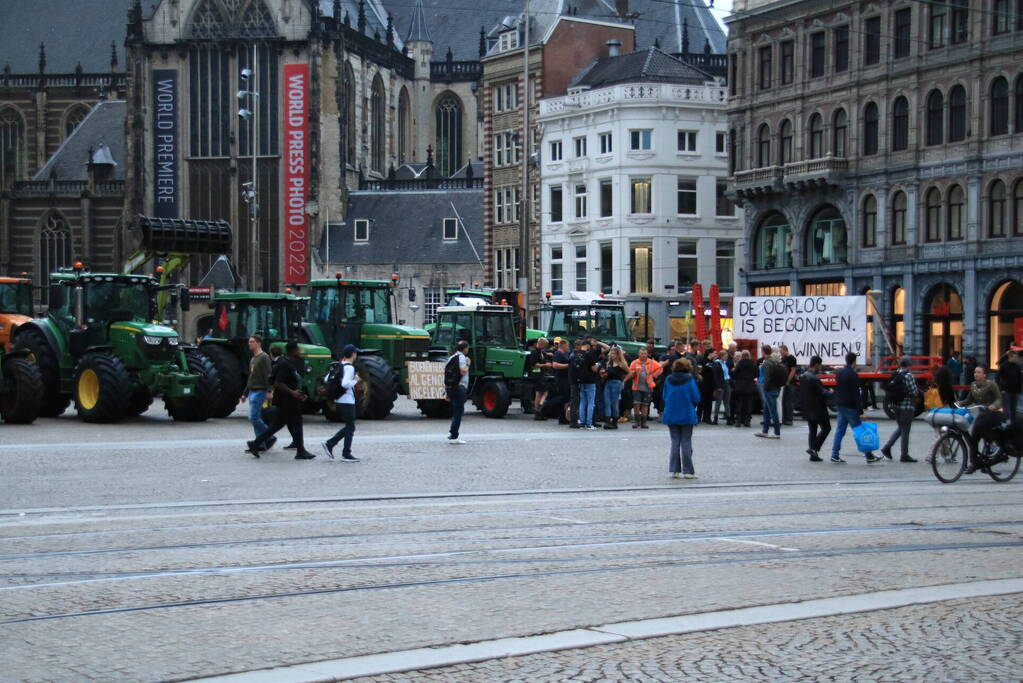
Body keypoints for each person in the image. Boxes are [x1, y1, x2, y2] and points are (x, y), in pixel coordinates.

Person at [247, 342, 316, 459]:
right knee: (297, 424)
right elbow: (278, 383)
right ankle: (301, 451)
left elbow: (273, 379)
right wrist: (293, 393)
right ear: (293, 351)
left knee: (277, 425)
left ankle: (255, 443)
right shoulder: (285, 365)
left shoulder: (282, 362)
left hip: (285, 400)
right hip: (288, 401)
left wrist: (298, 394)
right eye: (298, 349)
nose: (299, 352)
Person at [831, 352, 880, 464]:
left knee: (840, 431)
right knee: (860, 431)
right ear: (854, 361)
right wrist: (861, 411)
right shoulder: (853, 375)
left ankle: (835, 454)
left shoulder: (840, 373)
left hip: (841, 404)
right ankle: (869, 455)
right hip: (851, 406)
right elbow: (855, 394)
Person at [662, 358, 702, 479]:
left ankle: (674, 470)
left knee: (675, 442)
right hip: (686, 414)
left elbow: (664, 396)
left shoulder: (668, 379)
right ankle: (688, 471)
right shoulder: (690, 380)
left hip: (671, 413)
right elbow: (696, 397)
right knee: (686, 442)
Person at [321, 344, 362, 461]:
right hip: (347, 400)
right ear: (353, 354)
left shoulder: (339, 365)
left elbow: (326, 379)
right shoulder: (350, 367)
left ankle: (331, 444)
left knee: (350, 426)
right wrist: (355, 380)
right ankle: (344, 452)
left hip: (339, 400)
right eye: (356, 353)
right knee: (350, 427)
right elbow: (345, 384)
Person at [880, 355, 920, 463]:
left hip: (895, 405)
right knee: (905, 430)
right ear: (909, 364)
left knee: (901, 428)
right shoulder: (909, 376)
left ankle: (886, 448)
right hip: (906, 407)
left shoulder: (895, 373)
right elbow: (914, 392)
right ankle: (904, 454)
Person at [965, 365, 1004, 474]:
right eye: (975, 372)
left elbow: (999, 399)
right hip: (983, 414)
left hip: (994, 414)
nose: (975, 374)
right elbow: (968, 399)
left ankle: (993, 445)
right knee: (974, 438)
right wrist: (958, 404)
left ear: (984, 375)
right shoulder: (973, 385)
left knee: (978, 432)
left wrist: (993, 406)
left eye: (978, 372)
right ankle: (974, 463)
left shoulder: (991, 385)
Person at [241, 335, 273, 444]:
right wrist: (245, 393)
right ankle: (260, 443)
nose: (249, 343)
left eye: (252, 341)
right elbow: (251, 377)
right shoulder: (253, 359)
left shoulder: (264, 357)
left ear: (259, 343)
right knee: (256, 418)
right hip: (252, 391)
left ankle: (269, 436)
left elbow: (268, 375)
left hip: (260, 390)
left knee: (253, 417)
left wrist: (269, 390)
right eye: (249, 342)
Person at [799, 356, 831, 462]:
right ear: (816, 364)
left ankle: (813, 455)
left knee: (812, 430)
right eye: (820, 365)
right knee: (826, 428)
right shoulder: (814, 378)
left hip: (807, 407)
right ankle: (813, 449)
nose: (820, 367)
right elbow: (822, 393)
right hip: (818, 408)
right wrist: (832, 393)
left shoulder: (803, 376)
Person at [625, 346, 661, 429]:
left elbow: (660, 368)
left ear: (647, 354)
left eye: (645, 354)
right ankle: (636, 421)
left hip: (648, 387)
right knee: (636, 404)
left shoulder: (652, 362)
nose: (643, 355)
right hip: (636, 387)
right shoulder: (634, 362)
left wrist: (654, 375)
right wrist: (632, 374)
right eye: (641, 353)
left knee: (645, 405)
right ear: (639, 354)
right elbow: (630, 372)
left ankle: (643, 422)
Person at [575, 339, 604, 429]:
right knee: (591, 402)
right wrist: (598, 365)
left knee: (583, 402)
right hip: (590, 380)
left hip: (580, 380)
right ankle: (589, 423)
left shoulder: (577, 354)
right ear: (587, 345)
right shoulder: (588, 355)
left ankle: (582, 422)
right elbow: (594, 369)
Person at [446, 339, 470, 444]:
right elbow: (463, 371)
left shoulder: (452, 357)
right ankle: (454, 436)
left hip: (451, 387)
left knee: (456, 411)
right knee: (458, 412)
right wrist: (468, 364)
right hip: (459, 387)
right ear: (465, 349)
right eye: (467, 348)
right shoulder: (462, 358)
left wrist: (447, 391)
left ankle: (453, 433)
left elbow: (447, 374)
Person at [756, 345, 782, 439]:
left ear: (763, 352)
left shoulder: (767, 362)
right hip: (775, 388)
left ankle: (777, 432)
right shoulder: (774, 361)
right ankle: (765, 431)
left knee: (772, 411)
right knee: (767, 410)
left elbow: (767, 378)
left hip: (769, 389)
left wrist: (765, 388)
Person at [601, 345, 629, 429]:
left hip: (616, 383)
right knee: (607, 402)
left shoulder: (621, 363)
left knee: (614, 403)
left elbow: (630, 372)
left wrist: (623, 381)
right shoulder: (608, 363)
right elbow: (607, 374)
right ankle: (607, 421)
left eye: (614, 354)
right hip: (608, 383)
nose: (612, 355)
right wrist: (603, 375)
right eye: (611, 353)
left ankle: (614, 421)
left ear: (618, 355)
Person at [526, 337, 552, 420]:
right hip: (536, 374)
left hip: (541, 374)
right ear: (541, 344)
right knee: (542, 392)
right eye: (545, 345)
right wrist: (545, 365)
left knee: (540, 392)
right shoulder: (534, 352)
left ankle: (538, 410)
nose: (545, 347)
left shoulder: (541, 352)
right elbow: (534, 365)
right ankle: (539, 407)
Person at [731, 350, 758, 428]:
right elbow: (756, 374)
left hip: (740, 386)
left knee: (739, 404)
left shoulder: (739, 364)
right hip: (750, 386)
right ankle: (747, 421)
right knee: (748, 404)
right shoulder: (753, 364)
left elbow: (735, 375)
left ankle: (738, 421)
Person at [997, 349, 1021, 425]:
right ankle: (1004, 423)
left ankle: (1013, 424)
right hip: (1006, 390)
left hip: (1015, 390)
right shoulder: (1004, 366)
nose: (1017, 358)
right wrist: (1001, 388)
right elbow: (997, 377)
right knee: (1006, 409)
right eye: (1015, 357)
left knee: (1014, 408)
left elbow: (1020, 378)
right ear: (1010, 357)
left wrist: (1019, 389)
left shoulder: (1017, 366)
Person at [551, 338, 572, 424]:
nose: (568, 347)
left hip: (566, 379)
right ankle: (561, 417)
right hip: (561, 379)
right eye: (567, 346)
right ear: (563, 345)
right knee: (563, 398)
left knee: (566, 398)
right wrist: (568, 365)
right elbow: (555, 365)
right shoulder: (558, 353)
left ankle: (564, 417)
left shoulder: (565, 353)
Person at [779, 344, 798, 425]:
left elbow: (793, 370)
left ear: (785, 350)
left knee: (789, 401)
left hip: (791, 382)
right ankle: (784, 418)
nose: (780, 353)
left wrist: (788, 380)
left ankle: (789, 419)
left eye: (781, 351)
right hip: (783, 382)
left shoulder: (792, 358)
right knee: (783, 401)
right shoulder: (783, 359)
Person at [712, 350, 732, 425]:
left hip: (727, 382)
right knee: (718, 401)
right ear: (722, 356)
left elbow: (727, 373)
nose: (727, 357)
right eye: (725, 356)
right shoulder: (717, 363)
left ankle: (728, 417)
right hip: (721, 383)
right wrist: (718, 386)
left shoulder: (725, 363)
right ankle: (715, 418)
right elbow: (716, 376)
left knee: (727, 401)